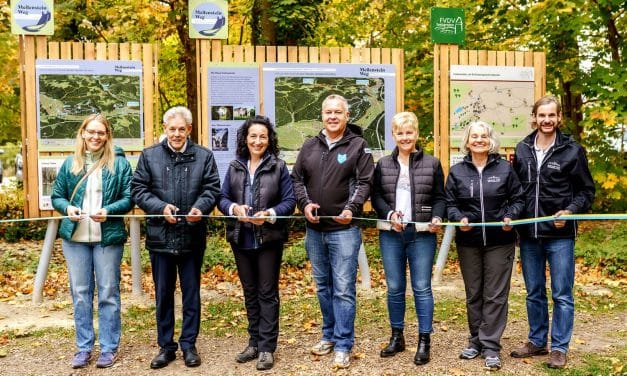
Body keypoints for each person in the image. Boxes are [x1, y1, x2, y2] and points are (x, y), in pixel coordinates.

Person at [131, 106, 221, 369]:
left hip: (192, 236)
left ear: (189, 130)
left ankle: (189, 345)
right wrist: (160, 208)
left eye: (182, 129)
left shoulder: (204, 156)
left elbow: (212, 188)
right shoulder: (150, 156)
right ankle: (166, 347)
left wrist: (201, 208)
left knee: (191, 293)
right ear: (165, 128)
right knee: (163, 294)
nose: (177, 134)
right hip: (161, 238)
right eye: (172, 129)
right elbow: (139, 189)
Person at [511, 95, 595, 369]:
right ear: (534, 118)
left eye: (552, 116)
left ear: (559, 118)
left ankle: (559, 348)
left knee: (561, 293)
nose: (546, 120)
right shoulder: (522, 148)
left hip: (560, 236)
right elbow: (517, 192)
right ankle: (537, 341)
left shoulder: (572, 150)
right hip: (529, 235)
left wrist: (570, 210)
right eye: (541, 116)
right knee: (534, 291)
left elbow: (586, 191)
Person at [291, 94, 374, 369]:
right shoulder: (309, 146)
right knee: (324, 286)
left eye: (338, 112)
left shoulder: (358, 146)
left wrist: (351, 208)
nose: (333, 116)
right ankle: (328, 335)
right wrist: (304, 204)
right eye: (328, 112)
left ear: (347, 116)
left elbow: (364, 183)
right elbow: (297, 179)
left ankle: (343, 343)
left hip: (344, 230)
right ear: (322, 115)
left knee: (343, 289)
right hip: (315, 230)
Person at [51, 114, 133, 369]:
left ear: (107, 136)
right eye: (91, 132)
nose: (96, 137)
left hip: (106, 238)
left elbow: (130, 197)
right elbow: (57, 196)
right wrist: (68, 209)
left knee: (108, 292)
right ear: (83, 133)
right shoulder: (70, 163)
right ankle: (84, 347)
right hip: (75, 238)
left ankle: (109, 348)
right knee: (81, 294)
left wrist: (109, 210)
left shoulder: (119, 164)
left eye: (101, 133)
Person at [218, 116, 296, 371]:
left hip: (268, 240)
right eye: (253, 136)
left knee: (267, 293)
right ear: (245, 139)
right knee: (250, 293)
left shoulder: (279, 167)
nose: (258, 141)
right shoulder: (235, 166)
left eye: (263, 136)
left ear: (269, 139)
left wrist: (270, 214)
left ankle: (266, 348)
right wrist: (233, 208)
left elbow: (289, 202)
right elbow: (222, 197)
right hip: (241, 238)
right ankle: (253, 342)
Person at [444, 121, 524, 370]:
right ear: (467, 142)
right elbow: (449, 204)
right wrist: (459, 219)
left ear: (491, 141)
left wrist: (511, 215)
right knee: (474, 293)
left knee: (496, 295)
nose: (479, 140)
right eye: (474, 136)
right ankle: (476, 340)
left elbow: (519, 198)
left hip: (500, 241)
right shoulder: (457, 172)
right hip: (469, 242)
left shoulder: (505, 169)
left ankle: (491, 346)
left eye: (484, 136)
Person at [371, 112, 445, 365]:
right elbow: (377, 196)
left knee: (422, 287)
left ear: (416, 134)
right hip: (391, 234)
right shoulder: (382, 164)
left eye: (409, 132)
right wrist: (389, 213)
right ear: (393, 135)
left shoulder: (432, 163)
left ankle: (424, 340)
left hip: (422, 234)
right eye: (400, 133)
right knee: (394, 287)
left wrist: (437, 217)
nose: (405, 137)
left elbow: (440, 198)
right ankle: (397, 335)